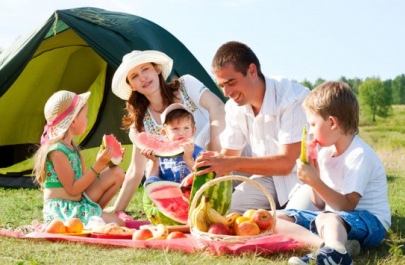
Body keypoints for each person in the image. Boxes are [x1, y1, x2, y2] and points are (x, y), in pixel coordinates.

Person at [274, 81, 391, 265]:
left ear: (332, 122)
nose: (310, 132)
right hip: (331, 219)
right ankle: (330, 248)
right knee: (273, 218)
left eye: (313, 124)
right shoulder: (326, 153)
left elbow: (347, 206)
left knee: (329, 218)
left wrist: (315, 181)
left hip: (371, 222)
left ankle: (336, 254)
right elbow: (319, 204)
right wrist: (314, 178)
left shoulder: (359, 154)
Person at [194, 41, 316, 214]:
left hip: (301, 180)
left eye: (231, 82)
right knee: (225, 213)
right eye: (222, 86)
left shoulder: (292, 98)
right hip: (267, 178)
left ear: (252, 71)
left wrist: (228, 163)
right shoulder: (234, 106)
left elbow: (287, 163)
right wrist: (198, 179)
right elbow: (228, 156)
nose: (226, 93)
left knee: (294, 223)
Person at [106, 50, 225, 213]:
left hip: (220, 156)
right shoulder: (140, 123)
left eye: (145, 69)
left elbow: (218, 106)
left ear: (157, 69)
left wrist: (215, 151)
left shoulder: (186, 85)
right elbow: (136, 169)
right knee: (151, 165)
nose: (142, 77)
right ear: (132, 86)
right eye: (134, 76)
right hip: (181, 182)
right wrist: (118, 208)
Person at [33, 90, 125, 226]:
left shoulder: (71, 147)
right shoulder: (57, 151)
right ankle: (95, 218)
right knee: (119, 224)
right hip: (64, 209)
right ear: (74, 121)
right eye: (85, 116)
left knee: (117, 173)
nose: (87, 120)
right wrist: (98, 165)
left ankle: (95, 214)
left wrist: (106, 162)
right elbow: (73, 189)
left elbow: (83, 182)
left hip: (78, 202)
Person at [141, 103, 203, 186]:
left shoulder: (199, 153)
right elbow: (151, 180)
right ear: (165, 132)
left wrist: (188, 159)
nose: (181, 133)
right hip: (167, 193)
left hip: (189, 191)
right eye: (175, 129)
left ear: (193, 130)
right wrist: (154, 162)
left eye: (186, 128)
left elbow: (202, 177)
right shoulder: (160, 154)